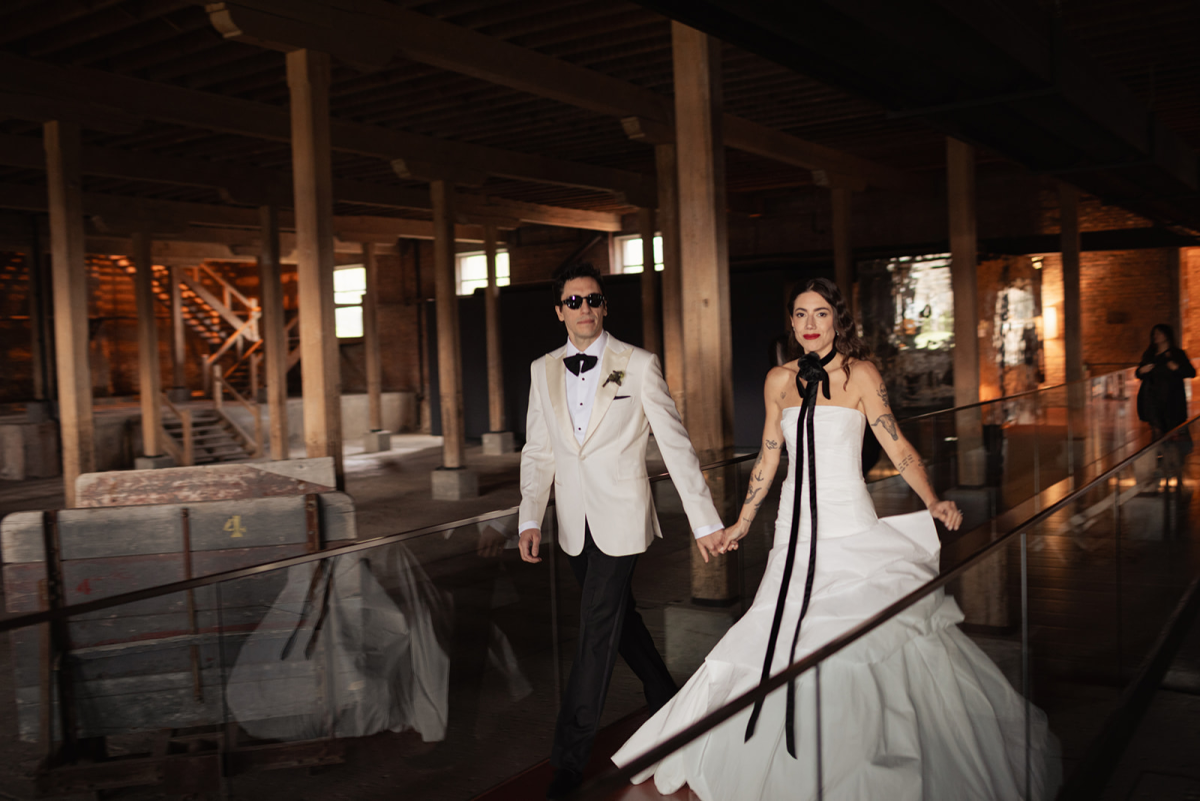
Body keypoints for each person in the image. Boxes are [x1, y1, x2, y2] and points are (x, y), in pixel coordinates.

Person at [613, 277, 1060, 800]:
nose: (810, 324)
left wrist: (932, 499)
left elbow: (896, 445)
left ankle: (854, 755)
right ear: (791, 322)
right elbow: (769, 456)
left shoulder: (861, 374)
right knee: (779, 633)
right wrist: (744, 521)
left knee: (852, 636)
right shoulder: (778, 379)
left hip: (848, 521)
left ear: (837, 320)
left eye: (820, 313)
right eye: (801, 314)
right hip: (793, 527)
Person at [518, 262, 725, 799]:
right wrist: (530, 516)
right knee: (619, 621)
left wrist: (704, 521)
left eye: (593, 299)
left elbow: (675, 446)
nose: (584, 308)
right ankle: (669, 702)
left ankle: (568, 761)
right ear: (559, 311)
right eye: (574, 301)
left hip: (623, 518)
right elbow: (538, 450)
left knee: (595, 628)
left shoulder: (638, 364)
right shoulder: (542, 370)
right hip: (573, 525)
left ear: (604, 306)